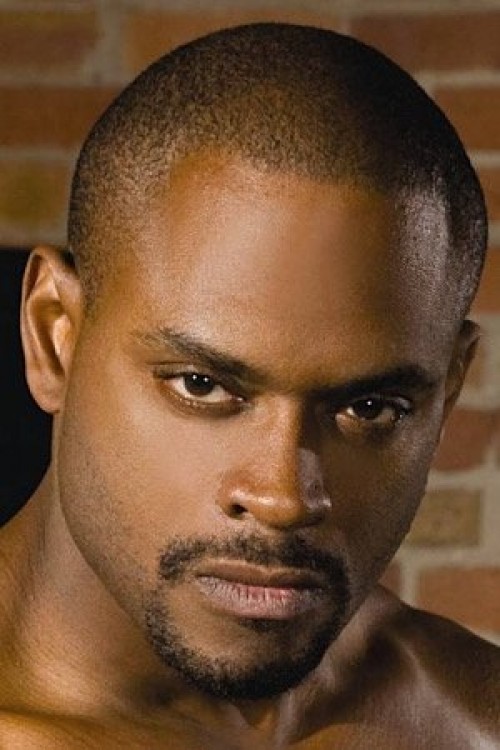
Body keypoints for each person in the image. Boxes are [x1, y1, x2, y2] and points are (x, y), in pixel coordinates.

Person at [0, 22, 498, 749]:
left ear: (447, 392)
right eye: (202, 385)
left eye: (369, 408)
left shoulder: (469, 716)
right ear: (54, 339)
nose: (283, 496)